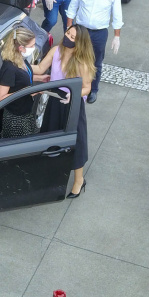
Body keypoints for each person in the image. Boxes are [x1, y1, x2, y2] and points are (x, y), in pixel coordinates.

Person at [35, 24, 95, 197]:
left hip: (73, 104)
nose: (68, 37)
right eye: (68, 33)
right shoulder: (56, 51)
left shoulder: (82, 61)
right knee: (51, 136)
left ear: (80, 42)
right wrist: (21, 65)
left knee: (77, 142)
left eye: (73, 37)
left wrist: (73, 96)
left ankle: (79, 180)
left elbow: (87, 88)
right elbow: (40, 68)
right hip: (55, 100)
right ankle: (51, 174)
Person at [65, 0, 123, 104]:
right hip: (80, 30)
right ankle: (72, 85)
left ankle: (93, 90)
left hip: (99, 33)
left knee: (95, 62)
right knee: (73, 57)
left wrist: (116, 36)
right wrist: (68, 28)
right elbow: (72, 7)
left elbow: (117, 17)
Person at [0, 26, 49, 138]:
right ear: (21, 48)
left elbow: (22, 79)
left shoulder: (20, 59)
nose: (34, 48)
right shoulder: (9, 68)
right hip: (16, 117)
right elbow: (0, 98)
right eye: (32, 46)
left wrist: (40, 78)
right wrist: (27, 92)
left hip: (25, 111)